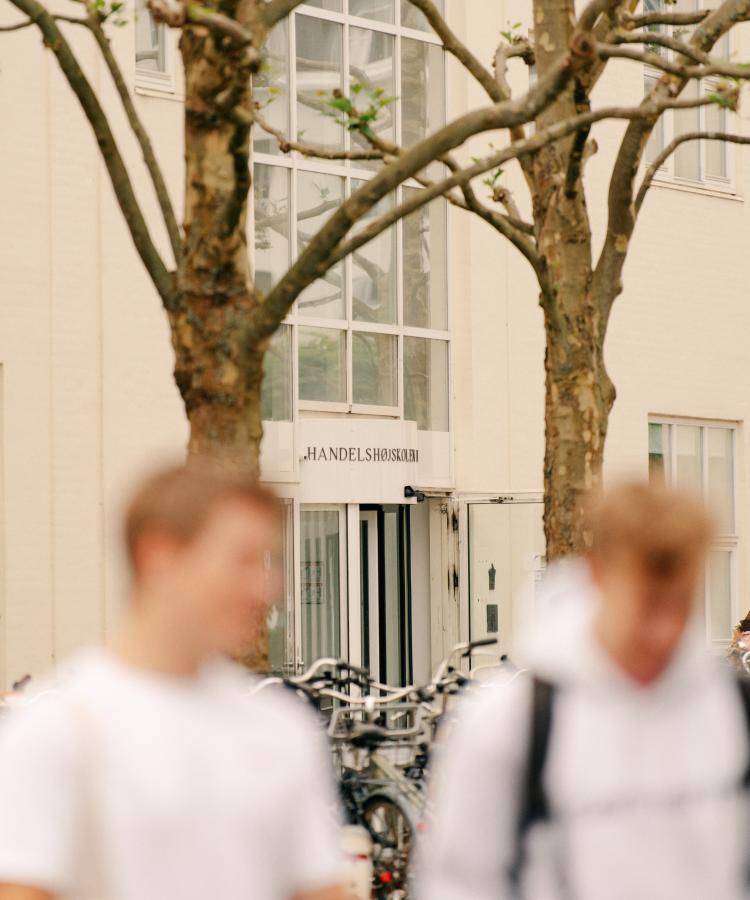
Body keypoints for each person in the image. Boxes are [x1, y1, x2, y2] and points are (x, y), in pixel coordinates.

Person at [0, 461, 347, 900]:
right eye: (242, 560)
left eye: (266, 562)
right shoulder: (56, 732)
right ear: (159, 555)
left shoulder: (279, 725)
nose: (266, 587)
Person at [417, 482, 750, 900]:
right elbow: (459, 884)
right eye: (646, 605)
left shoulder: (731, 708)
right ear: (597, 575)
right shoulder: (512, 721)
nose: (664, 631)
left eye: (680, 603)